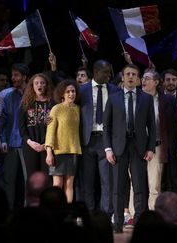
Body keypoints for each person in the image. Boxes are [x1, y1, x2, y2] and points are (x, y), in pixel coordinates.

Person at [103, 64, 156, 233]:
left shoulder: (146, 98)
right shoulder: (113, 97)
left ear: (139, 78)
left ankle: (139, 223)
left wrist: (150, 148)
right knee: (118, 188)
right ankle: (117, 223)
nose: (131, 77)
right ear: (123, 77)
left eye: (134, 74)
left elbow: (151, 126)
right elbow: (107, 126)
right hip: (118, 147)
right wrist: (108, 149)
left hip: (139, 146)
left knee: (140, 186)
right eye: (128, 74)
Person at [79, 60, 119, 214]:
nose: (109, 75)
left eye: (109, 72)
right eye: (106, 72)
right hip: (87, 140)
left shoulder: (115, 90)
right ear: (96, 72)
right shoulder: (82, 91)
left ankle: (106, 213)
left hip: (106, 141)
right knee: (87, 180)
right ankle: (88, 212)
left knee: (107, 180)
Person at [141, 69, 177, 210]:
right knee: (136, 184)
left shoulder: (168, 100)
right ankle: (134, 215)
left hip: (157, 146)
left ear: (156, 82)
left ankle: (153, 213)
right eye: (143, 78)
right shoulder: (136, 98)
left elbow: (174, 124)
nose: (143, 81)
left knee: (155, 184)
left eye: (147, 78)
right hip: (137, 147)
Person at [45, 79, 81, 203]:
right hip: (58, 151)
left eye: (73, 91)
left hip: (73, 150)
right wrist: (49, 152)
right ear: (62, 94)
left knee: (69, 183)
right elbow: (50, 132)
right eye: (68, 92)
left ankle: (68, 212)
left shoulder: (77, 109)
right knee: (57, 183)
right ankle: (55, 212)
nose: (71, 94)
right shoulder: (56, 109)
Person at [0, 63, 30, 208]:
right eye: (12, 75)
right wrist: (2, 140)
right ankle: (9, 211)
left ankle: (27, 210)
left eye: (16, 75)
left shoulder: (32, 96)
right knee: (9, 180)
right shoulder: (9, 96)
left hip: (27, 144)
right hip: (11, 144)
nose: (13, 78)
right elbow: (3, 121)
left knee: (27, 181)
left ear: (24, 77)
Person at [19, 73, 55, 186]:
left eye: (42, 83)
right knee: (32, 179)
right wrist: (30, 142)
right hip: (30, 146)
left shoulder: (53, 104)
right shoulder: (25, 103)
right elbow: (21, 128)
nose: (40, 85)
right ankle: (32, 203)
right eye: (37, 83)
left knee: (47, 179)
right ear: (32, 86)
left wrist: (46, 145)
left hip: (48, 147)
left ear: (46, 85)